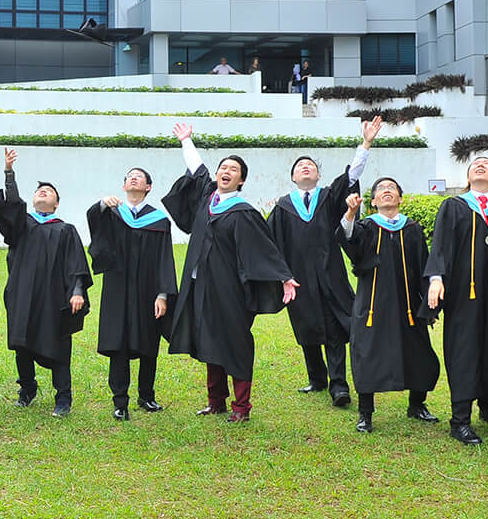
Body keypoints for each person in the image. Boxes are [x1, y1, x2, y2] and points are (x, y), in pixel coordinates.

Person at [162, 123, 299, 423]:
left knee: (234, 341)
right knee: (207, 339)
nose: (226, 171)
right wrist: (186, 140)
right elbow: (197, 168)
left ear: (241, 181)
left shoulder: (244, 212)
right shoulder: (207, 199)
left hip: (229, 290)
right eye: (223, 167)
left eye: (233, 169)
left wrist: (283, 275)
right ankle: (216, 402)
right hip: (199, 286)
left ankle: (241, 407)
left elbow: (264, 247)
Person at [268, 116, 382, 407]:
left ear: (318, 176)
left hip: (330, 275)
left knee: (333, 329)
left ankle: (339, 386)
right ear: (293, 177)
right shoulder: (282, 207)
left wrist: (366, 143)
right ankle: (316, 378)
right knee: (306, 327)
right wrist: (282, 276)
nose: (306, 167)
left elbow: (351, 178)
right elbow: (271, 245)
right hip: (298, 278)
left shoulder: (329, 198)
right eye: (300, 166)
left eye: (311, 165)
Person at [424, 155, 488, 445]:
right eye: (474, 165)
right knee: (464, 350)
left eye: (487, 164)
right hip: (462, 293)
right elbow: (440, 245)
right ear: (468, 177)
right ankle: (460, 420)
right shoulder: (454, 207)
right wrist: (436, 279)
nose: (480, 166)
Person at [0, 149, 92, 417]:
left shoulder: (66, 229)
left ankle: (63, 399)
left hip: (55, 296)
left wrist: (78, 291)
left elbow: (76, 264)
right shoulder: (22, 224)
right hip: (22, 293)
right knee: (21, 342)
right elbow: (11, 207)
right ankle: (27, 389)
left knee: (59, 345)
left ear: (57, 204)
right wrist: (9, 173)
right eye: (39, 191)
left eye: (49, 191)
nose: (43, 192)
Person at [338, 180, 441, 434]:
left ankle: (417, 405)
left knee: (419, 354)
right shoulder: (366, 227)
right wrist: (351, 213)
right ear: (373, 201)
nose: (386, 190)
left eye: (392, 188)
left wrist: (428, 298)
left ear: (400, 199)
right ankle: (365, 413)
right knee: (367, 355)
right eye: (380, 189)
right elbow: (349, 244)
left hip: (408, 304)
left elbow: (424, 266)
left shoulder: (413, 229)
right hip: (373, 305)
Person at [86, 168, 177, 420]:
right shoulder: (112, 214)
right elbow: (94, 224)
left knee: (149, 340)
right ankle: (120, 401)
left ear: (148, 187)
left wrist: (162, 294)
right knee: (118, 342)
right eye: (129, 176)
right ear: (124, 185)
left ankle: (146, 395)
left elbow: (164, 258)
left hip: (149, 288)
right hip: (117, 288)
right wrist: (101, 205)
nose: (133, 178)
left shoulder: (159, 220)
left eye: (139, 176)